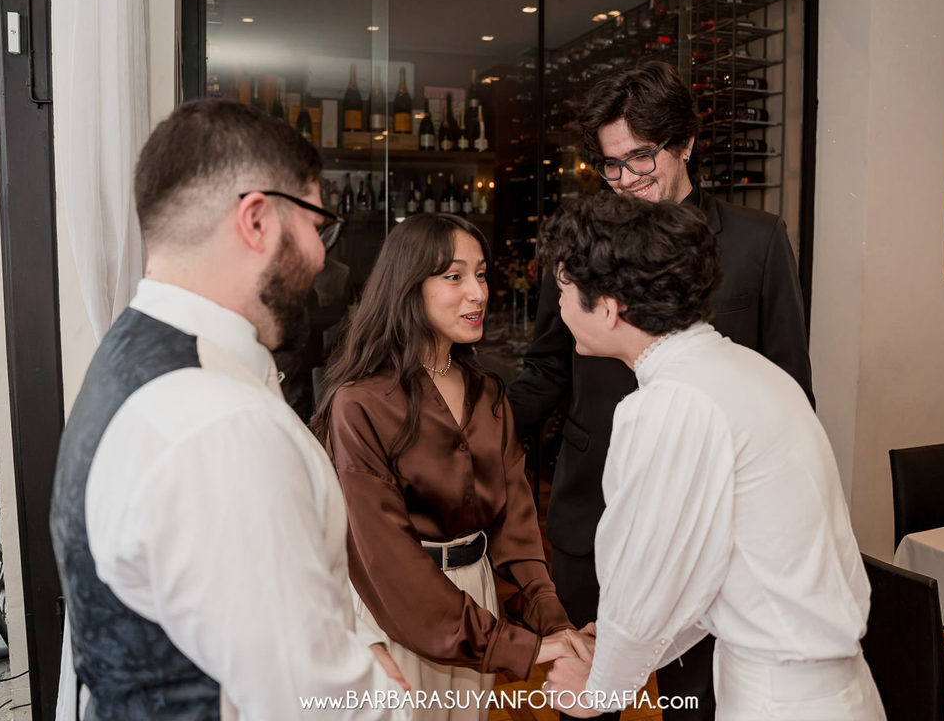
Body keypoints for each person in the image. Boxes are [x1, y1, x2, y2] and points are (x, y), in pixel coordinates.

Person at [50, 99, 407, 720]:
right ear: (257, 220)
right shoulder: (219, 424)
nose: (322, 255)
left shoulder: (135, 353)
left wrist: (362, 641)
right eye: (317, 226)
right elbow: (313, 705)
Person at [506, 61, 812, 721]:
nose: (626, 178)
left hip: (712, 525)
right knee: (581, 692)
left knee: (696, 704)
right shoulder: (585, 241)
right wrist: (469, 430)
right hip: (594, 503)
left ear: (686, 143)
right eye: (610, 165)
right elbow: (547, 369)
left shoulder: (757, 243)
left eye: (640, 157)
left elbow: (789, 383)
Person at [538, 193, 883, 721]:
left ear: (607, 309)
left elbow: (646, 573)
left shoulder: (670, 402)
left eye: (564, 291)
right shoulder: (747, 368)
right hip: (824, 685)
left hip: (781, 699)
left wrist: (600, 689)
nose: (559, 308)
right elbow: (706, 570)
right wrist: (608, 641)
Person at [311, 214, 583, 721]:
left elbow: (516, 526)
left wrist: (554, 621)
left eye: (481, 274)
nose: (478, 293)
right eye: (454, 276)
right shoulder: (360, 403)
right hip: (394, 611)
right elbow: (387, 559)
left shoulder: (488, 393)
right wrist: (516, 647)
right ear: (408, 286)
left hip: (478, 598)